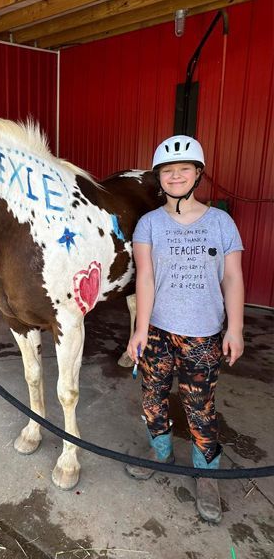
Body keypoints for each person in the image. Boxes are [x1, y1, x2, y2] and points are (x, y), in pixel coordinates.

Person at [125, 134, 244, 524]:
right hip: (157, 331)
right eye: (168, 171)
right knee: (153, 398)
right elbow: (145, 276)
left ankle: (206, 473)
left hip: (203, 335)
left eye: (183, 169)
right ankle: (160, 454)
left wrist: (236, 329)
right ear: (159, 177)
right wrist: (139, 330)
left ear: (198, 174)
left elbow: (232, 278)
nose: (175, 176)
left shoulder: (221, 222)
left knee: (200, 408)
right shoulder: (149, 224)